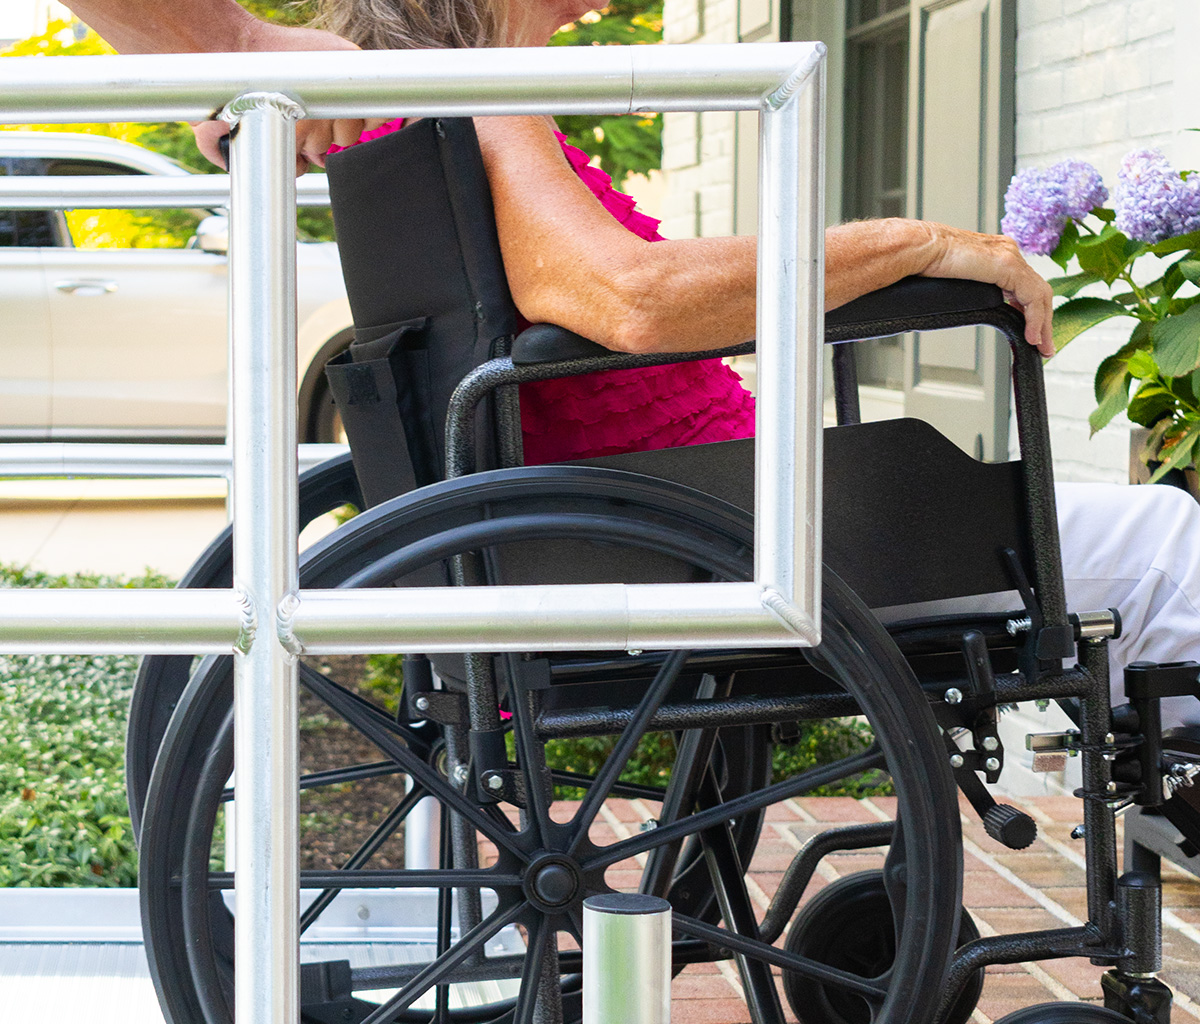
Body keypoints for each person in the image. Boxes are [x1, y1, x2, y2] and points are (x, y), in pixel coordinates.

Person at [67, 0, 1200, 734]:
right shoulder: (478, 97)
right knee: (1165, 544)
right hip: (712, 536)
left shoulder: (413, 104)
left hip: (655, 517)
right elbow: (632, 298)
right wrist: (920, 246)